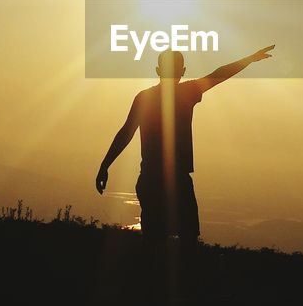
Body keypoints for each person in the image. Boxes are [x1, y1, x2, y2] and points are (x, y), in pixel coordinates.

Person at [95, 45, 275, 243]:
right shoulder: (187, 93)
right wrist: (249, 59)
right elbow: (219, 74)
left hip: (151, 178)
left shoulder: (145, 98)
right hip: (175, 181)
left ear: (158, 71)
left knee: (155, 241)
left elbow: (126, 133)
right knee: (186, 240)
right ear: (183, 71)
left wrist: (105, 166)